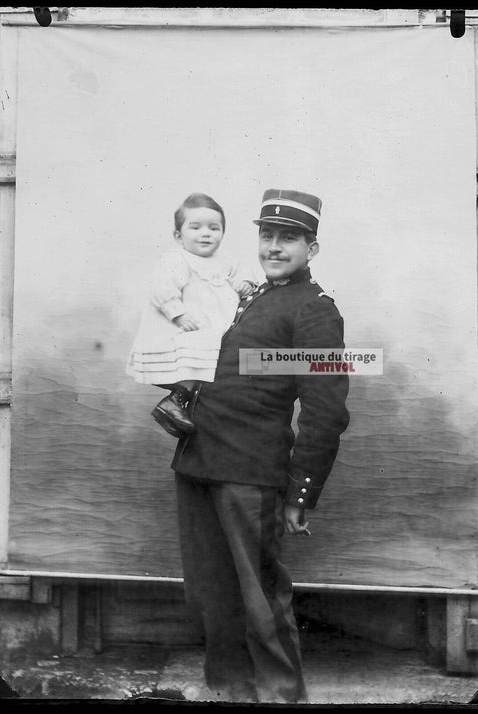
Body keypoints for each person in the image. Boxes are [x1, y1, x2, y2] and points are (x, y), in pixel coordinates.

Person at [170, 189, 350, 704]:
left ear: (311, 248)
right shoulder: (248, 297)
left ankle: (281, 697)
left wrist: (301, 493)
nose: (274, 247)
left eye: (288, 238)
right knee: (210, 591)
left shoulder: (315, 312)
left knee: (260, 596)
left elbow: (326, 412)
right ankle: (228, 689)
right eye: (267, 236)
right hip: (200, 460)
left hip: (251, 473)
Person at [126, 193, 256, 433]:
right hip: (190, 326)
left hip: (216, 327)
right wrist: (178, 314)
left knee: (211, 367)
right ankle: (175, 402)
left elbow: (242, 269)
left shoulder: (225, 258)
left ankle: (179, 405)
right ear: (178, 235)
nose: (205, 233)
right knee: (195, 362)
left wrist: (245, 281)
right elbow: (161, 288)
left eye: (214, 228)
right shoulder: (177, 259)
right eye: (195, 227)